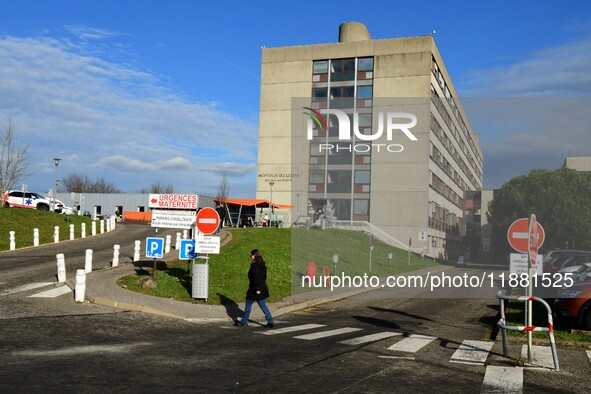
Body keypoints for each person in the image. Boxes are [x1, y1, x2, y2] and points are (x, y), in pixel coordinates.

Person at [236, 249, 275, 328]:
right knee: (263, 305)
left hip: (255, 289)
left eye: (251, 256)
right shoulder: (263, 265)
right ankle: (271, 322)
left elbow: (256, 278)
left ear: (254, 256)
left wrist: (257, 289)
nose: (251, 257)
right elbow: (264, 277)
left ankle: (244, 321)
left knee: (248, 303)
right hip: (263, 288)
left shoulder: (255, 266)